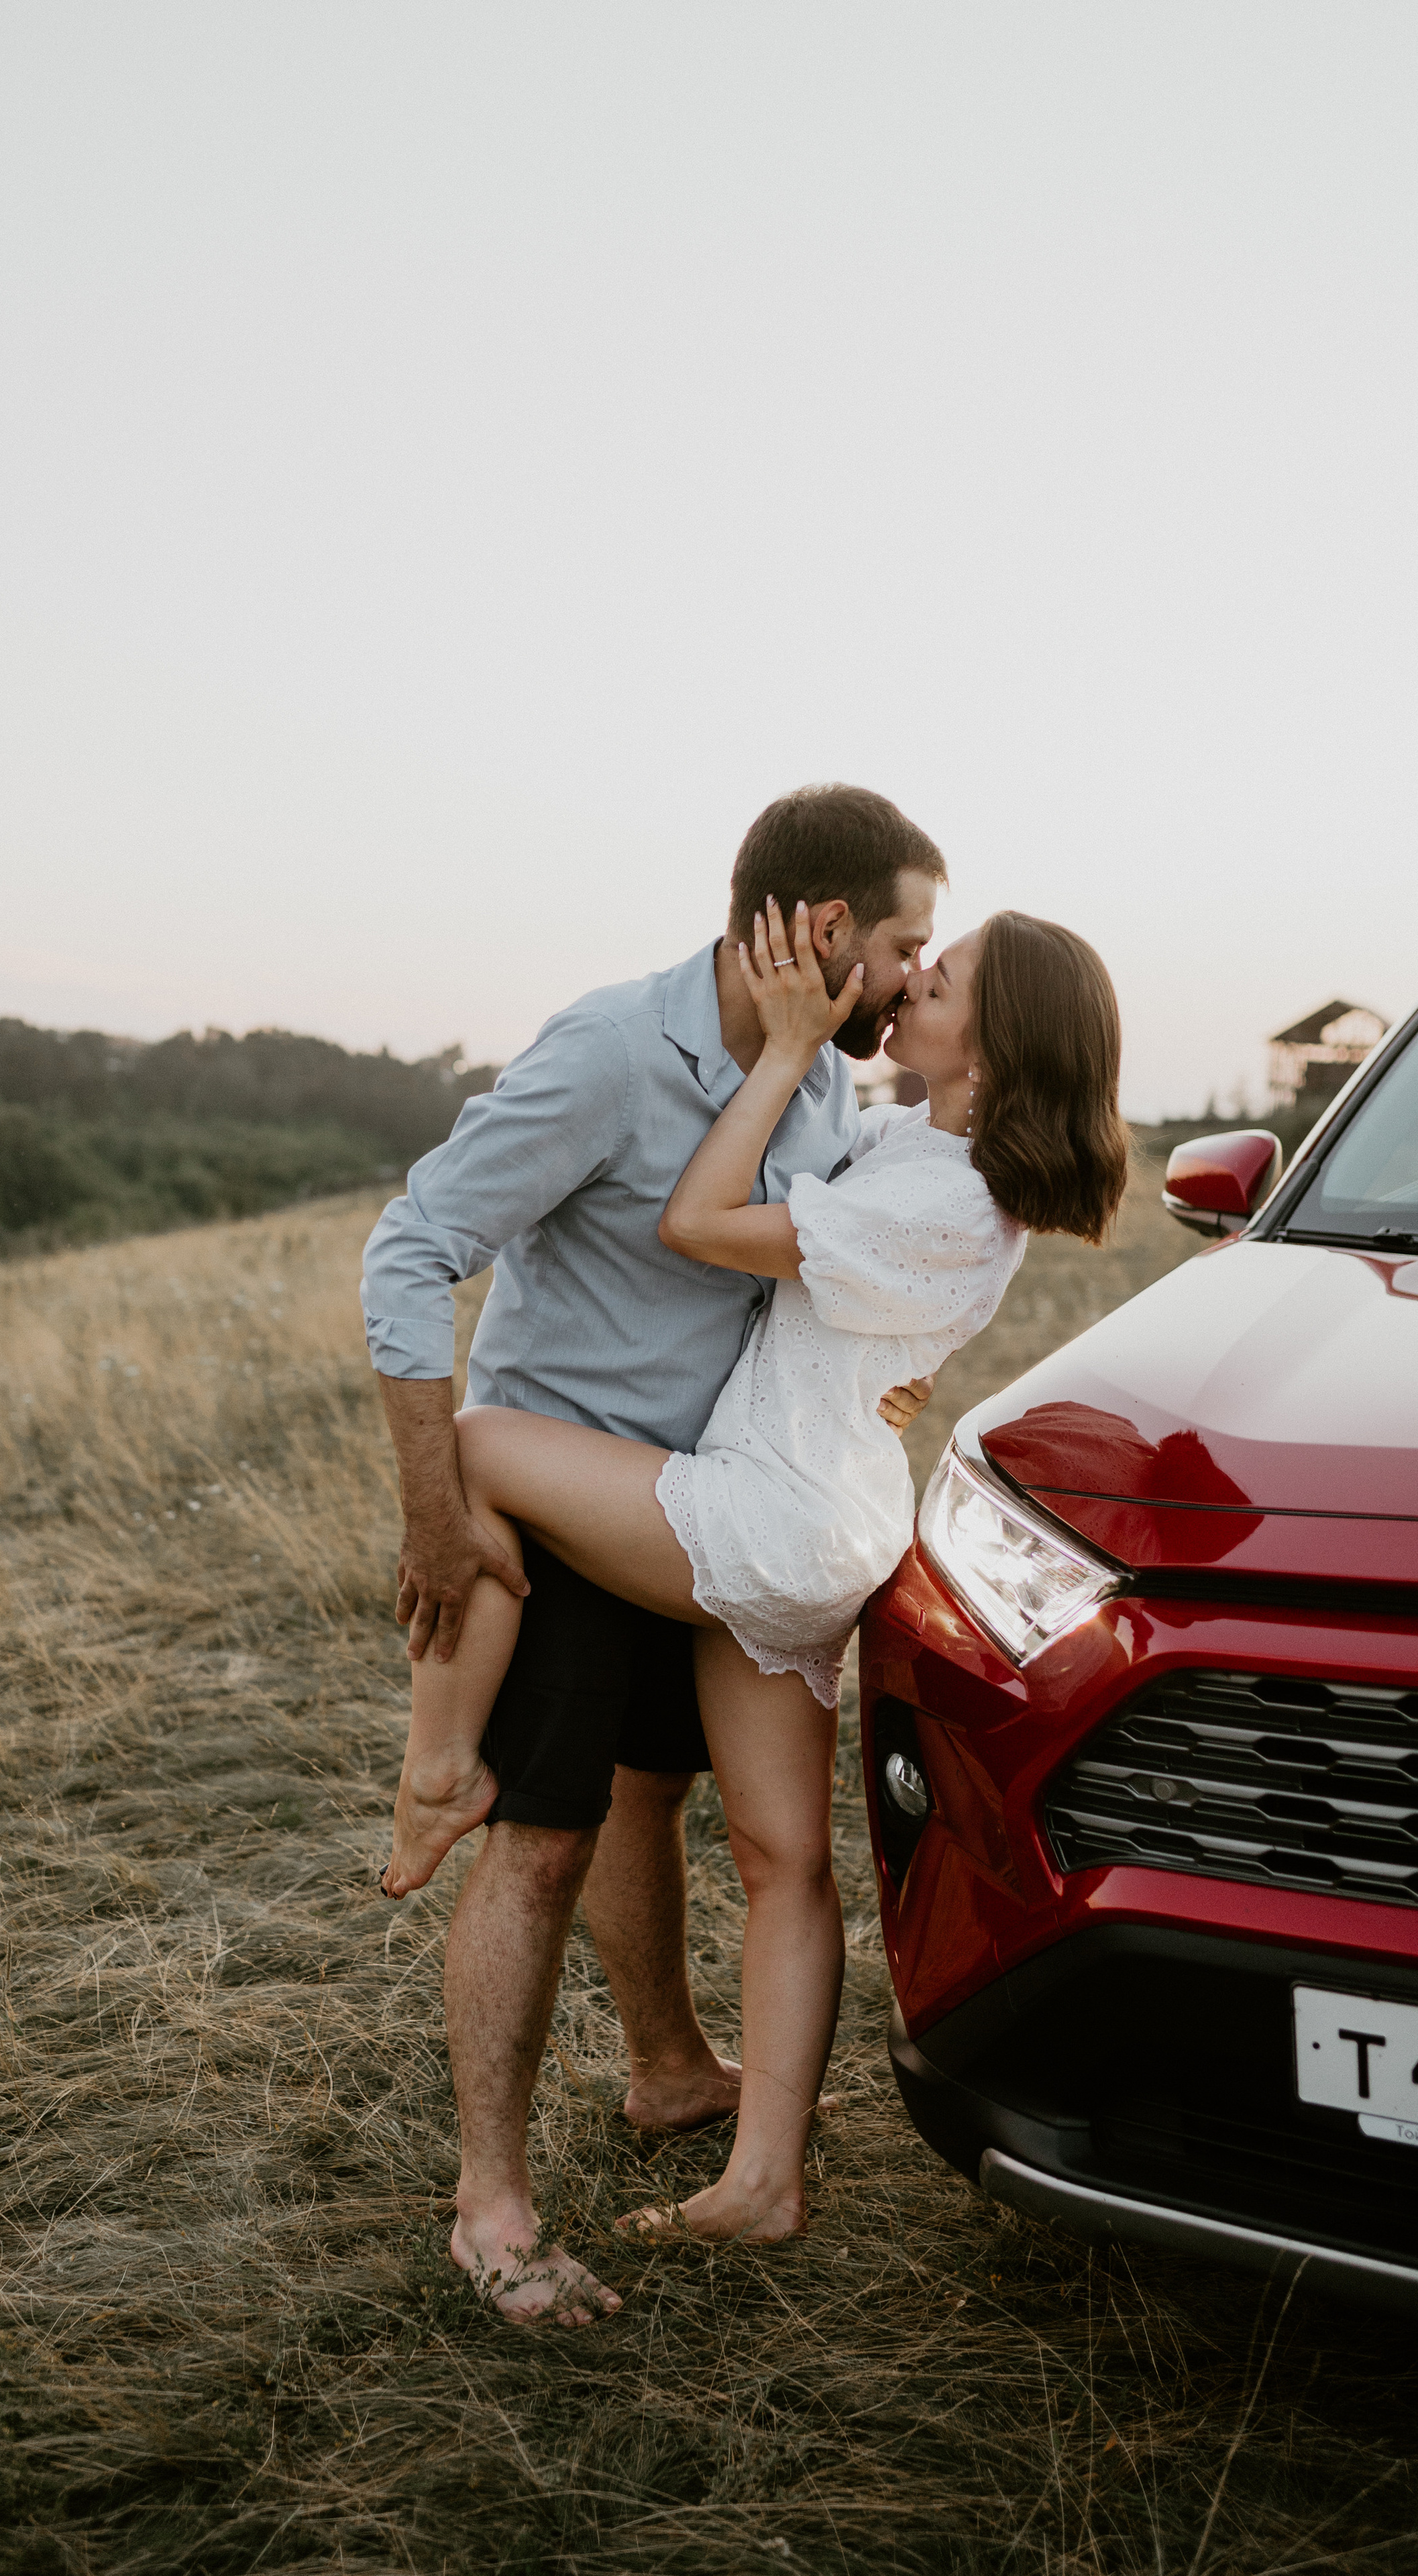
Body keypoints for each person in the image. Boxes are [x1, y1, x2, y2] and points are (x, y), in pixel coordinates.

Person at [382, 899, 1128, 2282]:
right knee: (784, 1861)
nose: (905, 986)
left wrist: (785, 1048)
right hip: (810, 1512)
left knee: (474, 1444)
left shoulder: (939, 1191)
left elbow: (695, 1220)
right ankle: (761, 2177)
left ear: (997, 1042)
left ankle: (435, 1763)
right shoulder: (928, 1151)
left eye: (940, 977)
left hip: (769, 1515)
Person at [361, 784, 946, 2323]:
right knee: (539, 1840)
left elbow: (794, 1279)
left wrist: (872, 1364)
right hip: (566, 1508)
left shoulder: (820, 1086)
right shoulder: (613, 1052)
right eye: (904, 946)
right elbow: (410, 1245)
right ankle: (489, 2207)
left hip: (703, 1516)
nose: (908, 977)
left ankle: (669, 2070)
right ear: (822, 931)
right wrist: (439, 1506)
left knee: (648, 1789)